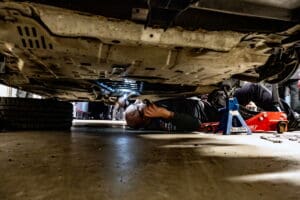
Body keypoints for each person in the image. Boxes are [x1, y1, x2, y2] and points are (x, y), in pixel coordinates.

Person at [125, 83, 300, 131]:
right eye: (140, 109)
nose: (142, 104)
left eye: (137, 103)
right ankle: (291, 121)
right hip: (217, 114)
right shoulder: (160, 123)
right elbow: (195, 125)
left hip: (211, 99)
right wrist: (167, 114)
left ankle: (287, 115)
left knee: (254, 89)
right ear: (144, 119)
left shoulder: (152, 103)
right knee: (257, 116)